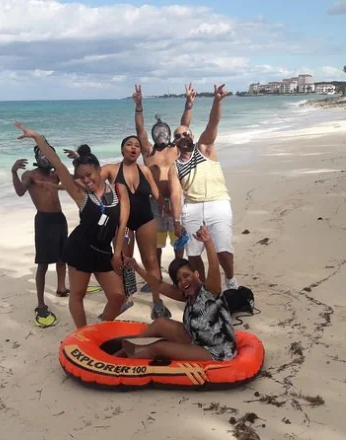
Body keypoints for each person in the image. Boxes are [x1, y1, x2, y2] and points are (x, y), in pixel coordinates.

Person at [14, 121, 130, 329]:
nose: (86, 180)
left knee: (117, 296)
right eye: (81, 177)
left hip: (104, 251)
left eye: (89, 175)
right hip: (80, 250)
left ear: (99, 169)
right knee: (77, 294)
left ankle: (101, 328)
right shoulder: (80, 194)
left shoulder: (118, 190)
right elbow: (58, 164)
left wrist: (117, 253)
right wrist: (37, 138)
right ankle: (83, 333)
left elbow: (122, 224)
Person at [65, 135, 169, 319]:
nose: (133, 148)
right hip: (122, 223)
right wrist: (79, 161)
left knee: (151, 261)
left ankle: (157, 301)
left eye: (137, 145)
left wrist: (171, 214)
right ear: (122, 149)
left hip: (145, 219)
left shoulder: (144, 170)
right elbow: (90, 178)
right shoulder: (111, 169)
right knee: (123, 261)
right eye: (129, 144)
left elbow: (156, 194)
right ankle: (126, 298)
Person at [118, 223, 237, 361]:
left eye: (186, 276)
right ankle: (123, 352)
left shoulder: (210, 291)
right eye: (179, 280)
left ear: (196, 274)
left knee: (158, 348)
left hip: (218, 351)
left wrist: (208, 241)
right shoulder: (187, 295)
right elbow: (158, 285)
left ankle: (122, 363)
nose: (183, 281)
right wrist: (136, 267)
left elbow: (214, 265)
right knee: (160, 323)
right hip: (197, 339)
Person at [169, 83, 239, 290]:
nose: (182, 137)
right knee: (193, 254)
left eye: (186, 134)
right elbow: (175, 195)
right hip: (192, 208)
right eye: (178, 136)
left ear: (192, 136)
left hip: (218, 203)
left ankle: (230, 281)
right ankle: (204, 288)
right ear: (174, 142)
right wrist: (176, 221)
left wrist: (217, 101)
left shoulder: (204, 149)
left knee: (223, 250)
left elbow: (213, 123)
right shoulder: (175, 166)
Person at [132, 84, 193, 278]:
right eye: (157, 132)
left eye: (164, 132)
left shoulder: (175, 149)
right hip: (154, 203)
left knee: (178, 240)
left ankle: (179, 272)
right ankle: (156, 274)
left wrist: (188, 104)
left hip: (175, 201)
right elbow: (140, 130)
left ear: (168, 133)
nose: (161, 135)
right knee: (156, 243)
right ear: (153, 135)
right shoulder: (148, 152)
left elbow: (185, 126)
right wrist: (139, 106)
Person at [11, 143, 69, 328]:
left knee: (63, 257)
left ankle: (61, 288)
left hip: (59, 218)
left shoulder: (55, 174)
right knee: (43, 263)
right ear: (36, 157)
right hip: (44, 221)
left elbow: (72, 180)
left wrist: (77, 159)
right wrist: (14, 172)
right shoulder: (30, 175)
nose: (45, 158)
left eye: (49, 154)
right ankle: (41, 303)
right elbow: (20, 191)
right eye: (42, 154)